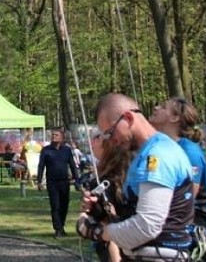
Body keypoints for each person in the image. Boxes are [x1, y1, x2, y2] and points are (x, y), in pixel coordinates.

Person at [77, 93, 195, 261]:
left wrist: (98, 232)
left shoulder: (158, 154)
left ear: (128, 118)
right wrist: (101, 213)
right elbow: (135, 213)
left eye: (110, 132)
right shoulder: (143, 154)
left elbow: (147, 225)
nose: (111, 140)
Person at [150, 98, 206, 262]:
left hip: (194, 228)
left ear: (175, 118)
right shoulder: (157, 146)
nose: (156, 107)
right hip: (171, 226)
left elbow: (189, 194)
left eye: (163, 107)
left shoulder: (188, 151)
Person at [79, 128, 133, 262]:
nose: (92, 143)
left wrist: (84, 215)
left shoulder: (105, 182)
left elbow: (109, 224)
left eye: (97, 138)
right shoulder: (127, 172)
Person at [37, 128, 80, 238]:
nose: (54, 136)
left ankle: (62, 226)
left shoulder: (67, 150)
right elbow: (41, 166)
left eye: (56, 135)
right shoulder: (46, 150)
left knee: (64, 205)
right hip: (52, 182)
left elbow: (72, 165)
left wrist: (77, 180)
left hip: (64, 182)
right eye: (52, 135)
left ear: (62, 137)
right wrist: (39, 181)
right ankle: (58, 229)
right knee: (55, 206)